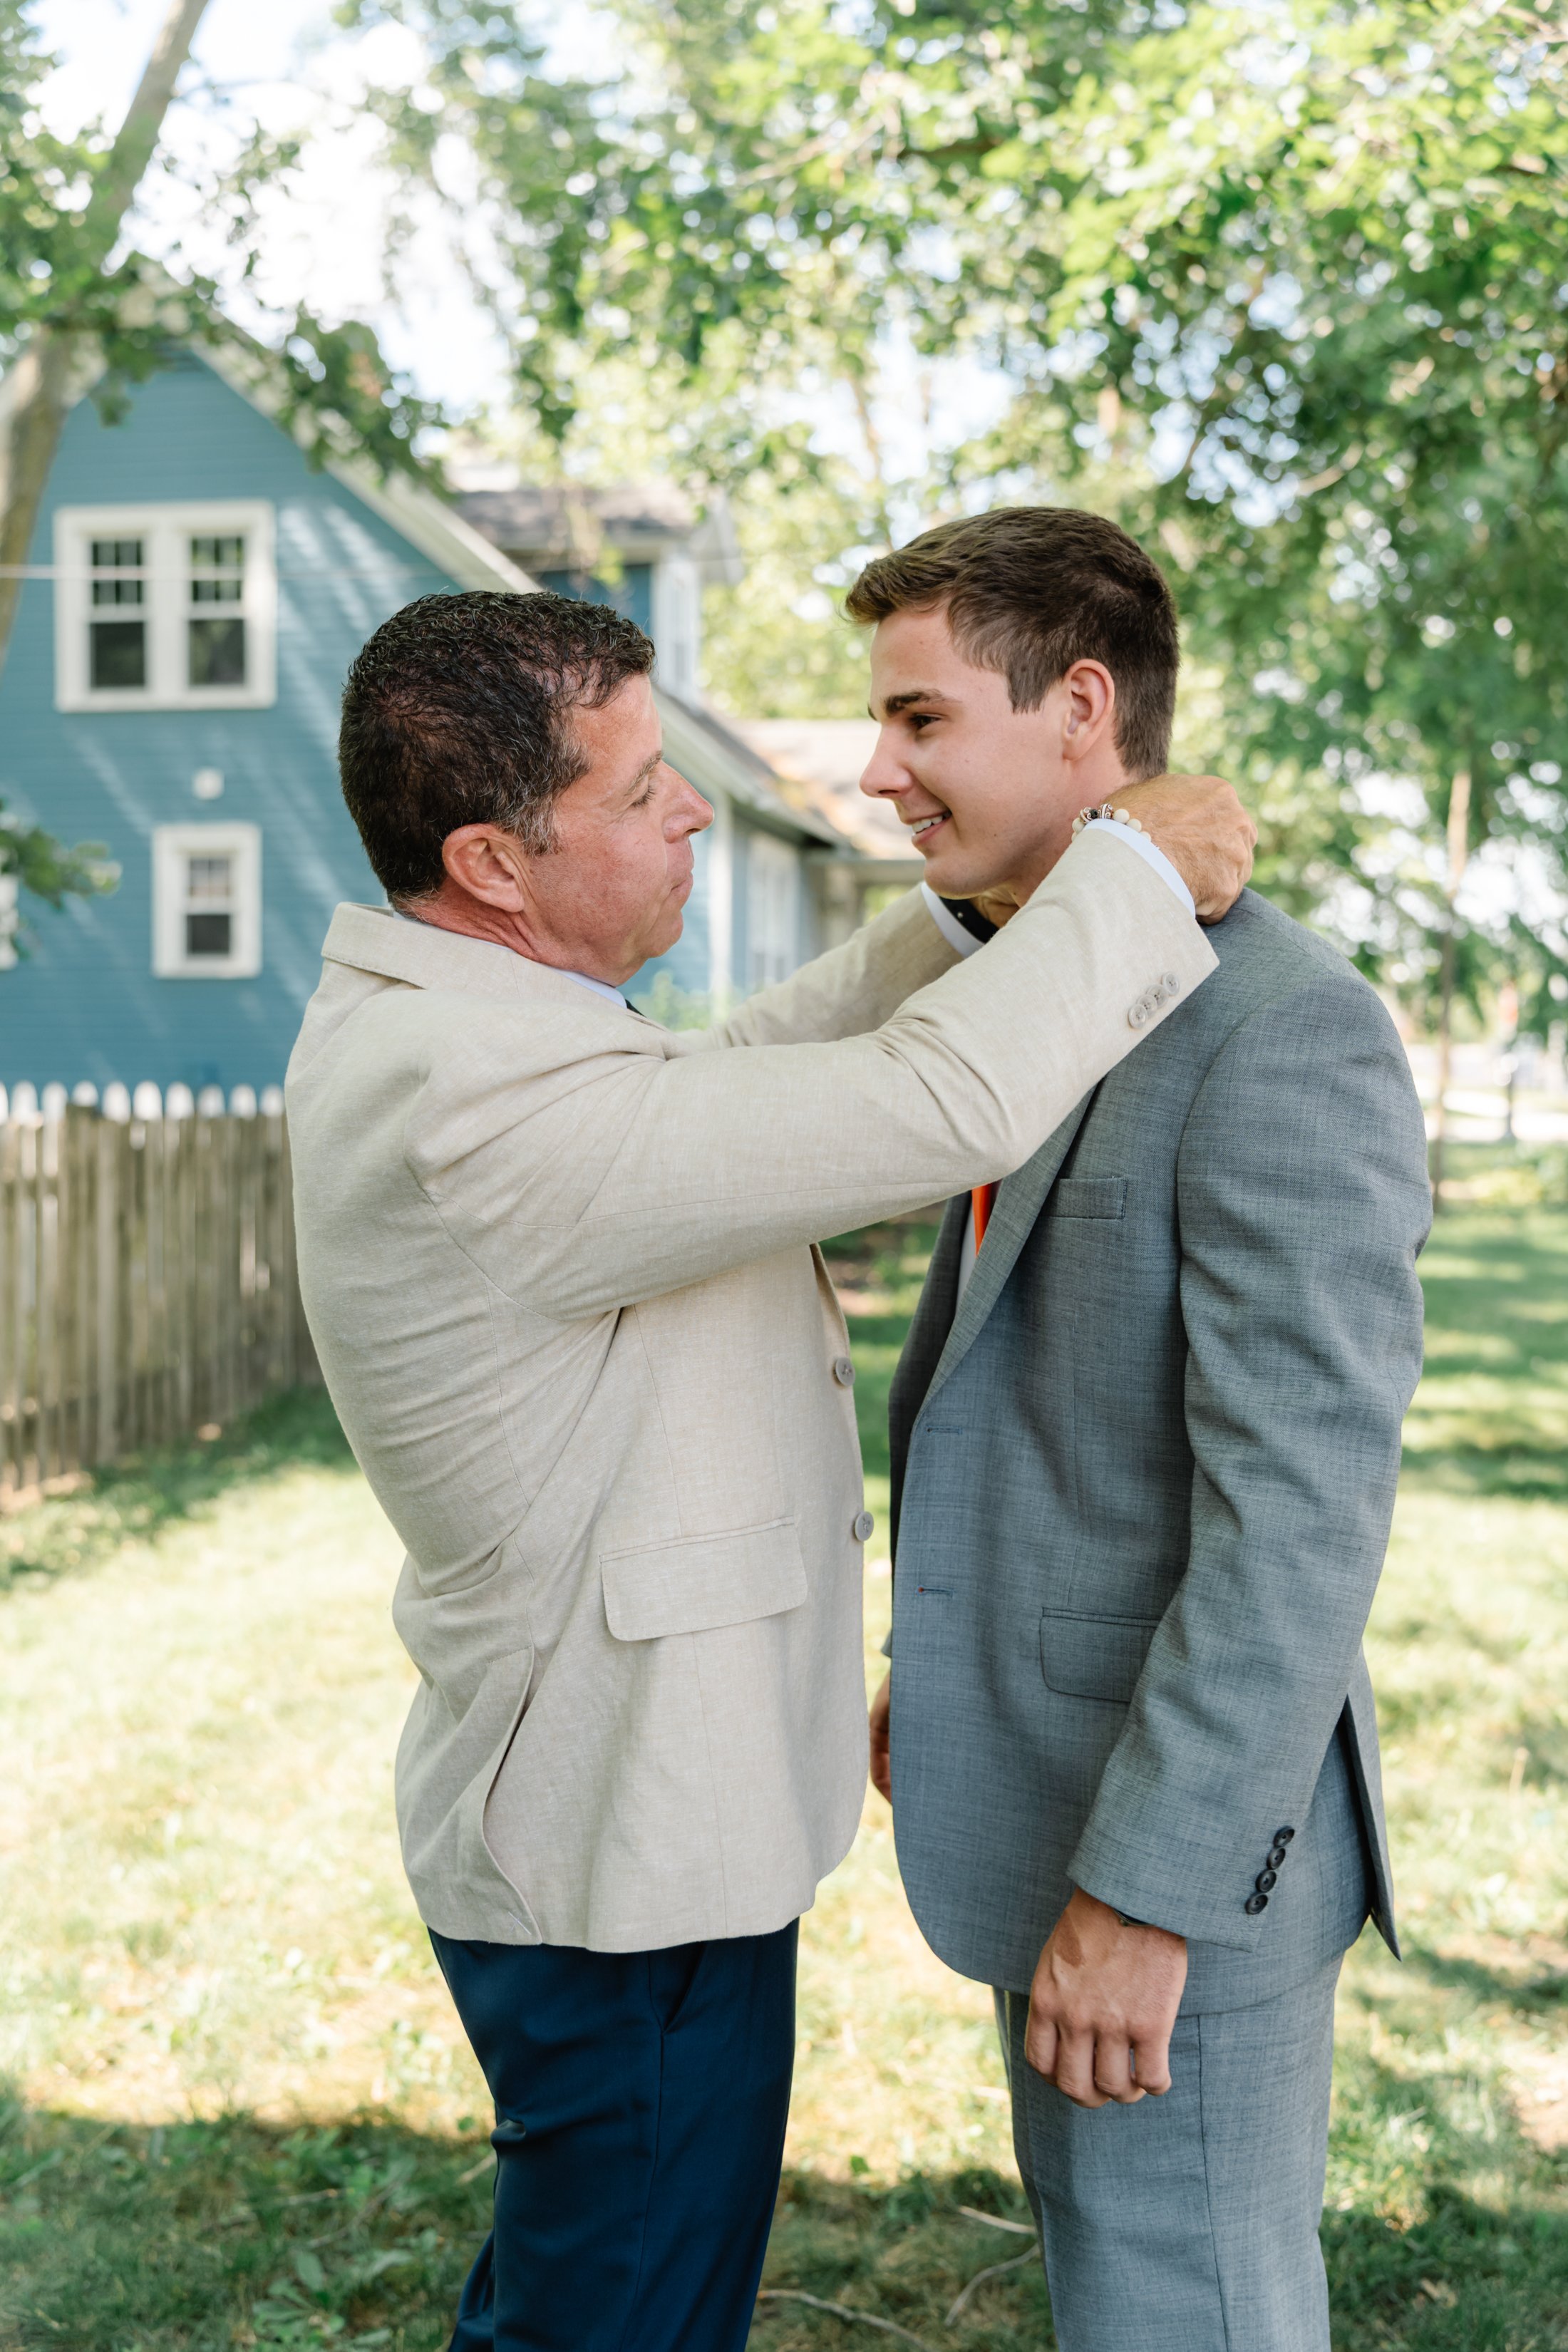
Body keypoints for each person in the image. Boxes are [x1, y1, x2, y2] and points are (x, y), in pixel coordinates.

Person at [285, 587, 1250, 2352]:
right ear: (495, 860)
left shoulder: (489, 1022)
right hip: (616, 1852)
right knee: (626, 2320)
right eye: (641, 786)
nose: (692, 814)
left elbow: (729, 1081)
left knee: (590, 2287)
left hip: (644, 1809)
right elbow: (930, 1109)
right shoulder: (467, 1094)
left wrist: (973, 912)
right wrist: (1118, 866)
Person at [857, 508, 1431, 2352]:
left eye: (922, 719)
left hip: (1169, 1859)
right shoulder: (1035, 986)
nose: (880, 770)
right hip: (1050, 1784)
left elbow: (1302, 1515)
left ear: (1080, 705)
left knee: (1187, 2308)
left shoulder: (1279, 1029)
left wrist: (1144, 1896)